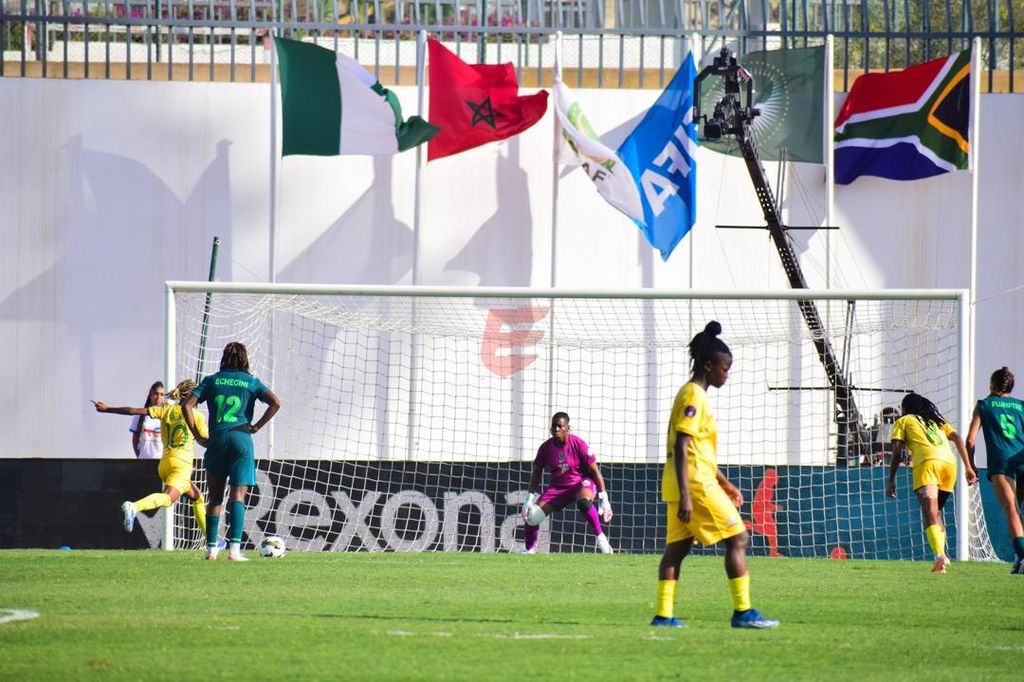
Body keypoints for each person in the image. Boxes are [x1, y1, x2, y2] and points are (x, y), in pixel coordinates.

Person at [651, 321, 778, 629]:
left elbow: (696, 448)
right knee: (738, 537)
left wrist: (724, 482)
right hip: (693, 485)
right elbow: (682, 446)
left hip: (687, 481)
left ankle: (664, 615)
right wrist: (686, 495)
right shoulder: (694, 396)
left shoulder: (690, 393)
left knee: (677, 549)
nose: (726, 374)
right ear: (708, 366)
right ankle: (743, 611)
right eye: (724, 369)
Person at [182, 342, 281, 562]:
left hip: (217, 440)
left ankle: (211, 550)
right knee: (237, 496)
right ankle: (235, 552)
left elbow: (186, 406)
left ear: (224, 358)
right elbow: (275, 402)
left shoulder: (211, 380)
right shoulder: (251, 382)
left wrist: (198, 435)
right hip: (241, 440)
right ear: (245, 359)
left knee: (215, 498)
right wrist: (256, 426)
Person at [93, 380, 209, 537]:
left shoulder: (166, 409)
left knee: (197, 497)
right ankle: (134, 507)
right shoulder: (197, 416)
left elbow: (133, 411)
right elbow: (205, 441)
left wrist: (107, 409)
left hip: (165, 463)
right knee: (168, 499)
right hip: (181, 465)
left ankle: (211, 540)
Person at [886, 392, 978, 573]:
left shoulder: (903, 421)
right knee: (936, 513)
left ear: (906, 409)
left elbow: (896, 451)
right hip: (949, 465)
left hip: (928, 464)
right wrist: (968, 467)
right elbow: (958, 438)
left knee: (929, 512)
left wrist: (891, 479)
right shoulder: (935, 421)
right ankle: (941, 559)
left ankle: (939, 556)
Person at [520, 412, 614, 554]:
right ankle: (529, 549)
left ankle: (600, 538)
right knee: (532, 516)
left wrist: (604, 498)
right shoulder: (545, 448)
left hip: (581, 483)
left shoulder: (579, 444)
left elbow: (595, 471)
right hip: (559, 487)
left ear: (567, 428)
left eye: (560, 426)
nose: (556, 429)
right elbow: (537, 471)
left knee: (584, 502)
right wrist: (529, 499)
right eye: (554, 426)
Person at [965, 367, 1024, 574]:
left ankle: (1023, 556)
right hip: (1022, 459)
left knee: (1012, 510)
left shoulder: (984, 405)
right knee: (1018, 512)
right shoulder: (1021, 406)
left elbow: (971, 440)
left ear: (992, 385)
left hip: (1001, 463)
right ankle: (1019, 557)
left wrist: (970, 466)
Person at [130, 381, 165, 460]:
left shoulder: (166, 415)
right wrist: (140, 456)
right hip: (144, 460)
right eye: (156, 393)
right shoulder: (140, 415)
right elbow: (135, 439)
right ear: (150, 396)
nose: (158, 397)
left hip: (162, 461)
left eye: (161, 394)